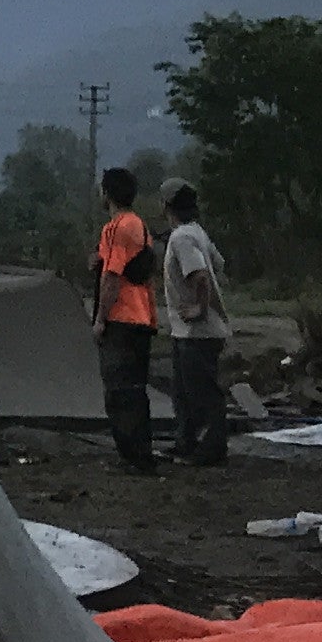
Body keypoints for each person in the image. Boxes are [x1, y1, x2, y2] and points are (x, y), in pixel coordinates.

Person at [89, 165, 160, 471]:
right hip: (143, 318)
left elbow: (112, 277)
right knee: (135, 390)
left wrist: (100, 319)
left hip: (122, 319)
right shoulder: (140, 226)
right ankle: (142, 452)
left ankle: (131, 457)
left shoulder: (116, 228)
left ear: (108, 193)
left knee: (119, 392)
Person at [161, 179, 232, 468]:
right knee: (184, 393)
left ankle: (211, 449)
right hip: (188, 331)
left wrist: (199, 309)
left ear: (167, 206)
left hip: (198, 331)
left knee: (201, 393)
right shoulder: (196, 233)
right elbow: (219, 263)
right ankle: (186, 443)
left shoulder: (181, 239)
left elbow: (200, 275)